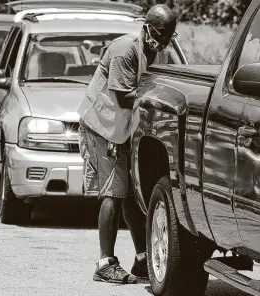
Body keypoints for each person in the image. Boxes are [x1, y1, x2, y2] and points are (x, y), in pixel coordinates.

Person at [77, 4, 177, 284]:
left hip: (122, 130)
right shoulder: (125, 50)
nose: (162, 41)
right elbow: (123, 98)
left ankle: (144, 258)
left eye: (168, 35)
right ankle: (104, 263)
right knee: (114, 192)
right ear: (146, 28)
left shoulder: (158, 51)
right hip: (101, 127)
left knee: (131, 194)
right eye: (158, 33)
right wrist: (159, 98)